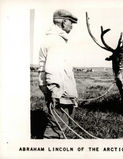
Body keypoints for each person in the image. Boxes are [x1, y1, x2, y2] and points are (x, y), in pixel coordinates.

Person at [38, 9, 78, 139]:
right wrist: (55, 91)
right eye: (71, 22)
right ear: (64, 21)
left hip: (60, 89)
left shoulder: (55, 39)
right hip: (60, 91)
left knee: (61, 124)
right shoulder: (56, 40)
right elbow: (53, 68)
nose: (71, 25)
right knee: (56, 127)